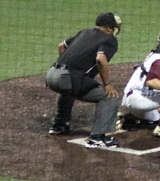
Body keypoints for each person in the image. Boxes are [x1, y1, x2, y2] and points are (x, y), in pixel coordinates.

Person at [45, 12, 123, 149]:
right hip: (66, 78)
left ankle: (59, 126)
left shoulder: (84, 32)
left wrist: (69, 65)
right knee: (109, 97)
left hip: (51, 74)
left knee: (68, 89)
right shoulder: (109, 39)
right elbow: (100, 59)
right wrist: (107, 84)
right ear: (109, 28)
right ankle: (97, 137)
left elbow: (61, 46)